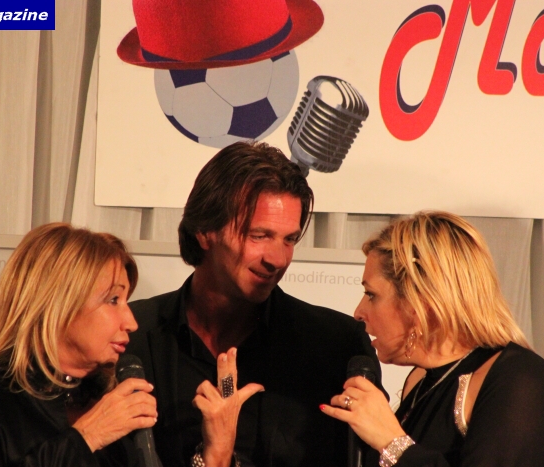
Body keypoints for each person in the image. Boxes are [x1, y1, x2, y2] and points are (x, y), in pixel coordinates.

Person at [126, 141, 384, 467]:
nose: (277, 259)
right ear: (204, 231)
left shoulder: (338, 345)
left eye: (289, 239)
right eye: (259, 236)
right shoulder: (130, 338)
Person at [321, 211, 544, 467]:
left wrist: (391, 441)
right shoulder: (419, 379)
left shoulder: (523, 382)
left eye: (371, 294)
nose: (358, 312)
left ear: (420, 301)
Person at [0, 223, 158, 467]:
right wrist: (89, 436)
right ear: (58, 304)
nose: (131, 323)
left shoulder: (117, 399)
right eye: (113, 300)